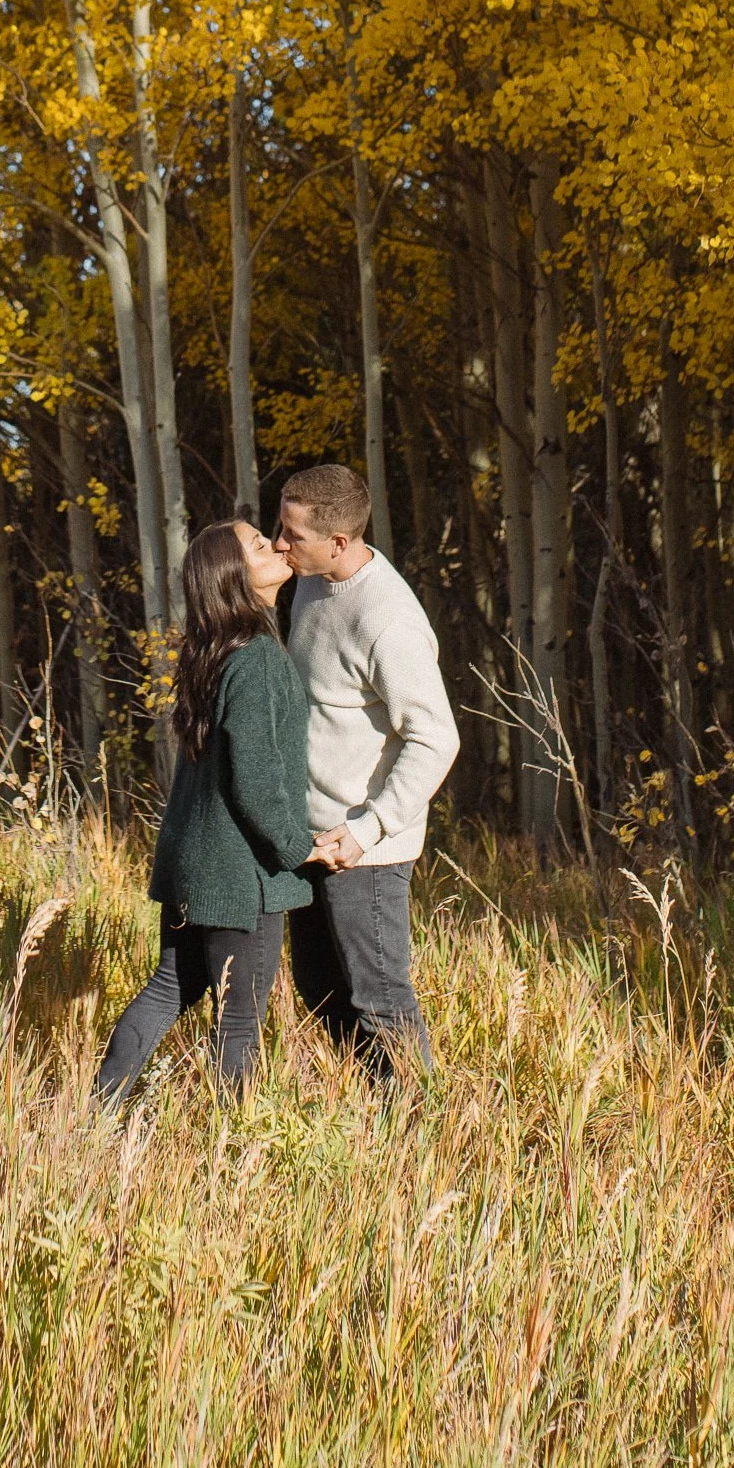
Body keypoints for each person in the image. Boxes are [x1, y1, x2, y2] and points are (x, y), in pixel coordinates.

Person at [94, 516, 313, 1106]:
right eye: (257, 545)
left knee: (170, 987)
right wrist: (300, 847)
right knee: (240, 1019)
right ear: (234, 575)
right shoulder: (258, 658)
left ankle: (95, 1112)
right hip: (241, 876)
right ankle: (231, 1147)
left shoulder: (215, 655)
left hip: (195, 866)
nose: (274, 545)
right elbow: (257, 782)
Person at [277, 460, 459, 1080]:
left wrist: (368, 829)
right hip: (310, 833)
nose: (280, 544)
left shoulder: (387, 619)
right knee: (319, 987)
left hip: (364, 846)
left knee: (379, 999)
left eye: (292, 535)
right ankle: (381, 1107)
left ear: (338, 541)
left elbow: (436, 739)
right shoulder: (310, 579)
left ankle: (423, 1129)